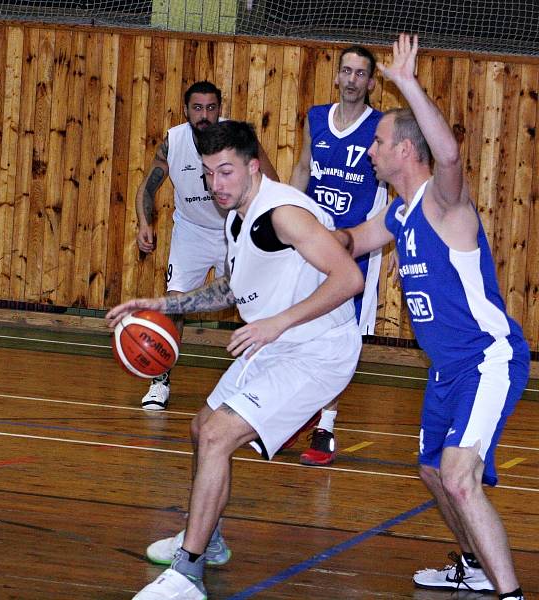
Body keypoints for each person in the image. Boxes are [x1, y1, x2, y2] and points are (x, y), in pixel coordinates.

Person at [108, 120, 363, 600]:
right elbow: (232, 287)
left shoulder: (282, 213)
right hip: (275, 342)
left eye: (225, 172)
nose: (215, 185)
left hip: (316, 350)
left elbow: (348, 278)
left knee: (220, 435)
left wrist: (277, 323)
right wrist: (162, 304)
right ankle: (212, 540)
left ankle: (188, 573)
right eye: (207, 174)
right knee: (202, 428)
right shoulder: (237, 217)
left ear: (251, 166)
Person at [335, 35, 528, 600]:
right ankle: (470, 562)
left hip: (486, 359)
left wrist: (406, 84)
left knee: (460, 478)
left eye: (378, 141)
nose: (369, 150)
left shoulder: (445, 204)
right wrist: (282, 227)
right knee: (431, 470)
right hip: (446, 370)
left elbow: (447, 156)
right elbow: (346, 242)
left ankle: (510, 595)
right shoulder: (397, 215)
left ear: (404, 151)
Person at [134, 81, 279, 410]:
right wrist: (145, 223)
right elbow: (149, 184)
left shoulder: (238, 139)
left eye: (211, 107)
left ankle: (257, 382)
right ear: (186, 110)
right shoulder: (175, 140)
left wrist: (260, 227)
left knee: (252, 305)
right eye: (197, 108)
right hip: (191, 229)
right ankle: (160, 379)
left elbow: (272, 181)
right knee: (175, 303)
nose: (204, 115)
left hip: (232, 226)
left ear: (220, 108)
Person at [288, 45, 389, 466]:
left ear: (370, 81)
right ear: (337, 76)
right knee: (302, 327)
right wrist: (287, 215)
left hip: (356, 247)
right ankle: (292, 411)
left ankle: (325, 427)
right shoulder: (316, 117)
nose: (351, 79)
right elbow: (303, 166)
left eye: (359, 73)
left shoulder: (382, 127)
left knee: (340, 337)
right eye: (345, 71)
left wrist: (385, 238)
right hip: (313, 240)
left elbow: (397, 186)